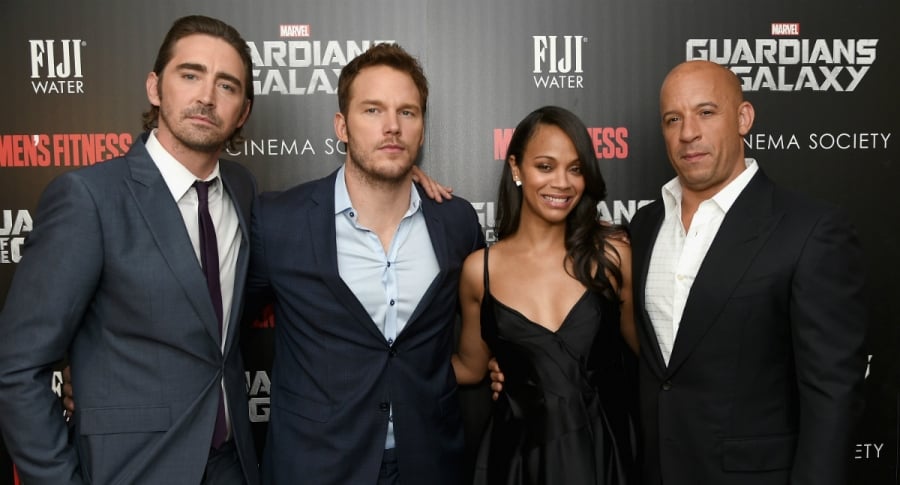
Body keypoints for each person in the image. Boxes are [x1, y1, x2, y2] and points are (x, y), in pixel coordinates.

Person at [0, 15, 260, 485]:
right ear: (154, 88)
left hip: (233, 463)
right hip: (133, 468)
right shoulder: (89, 198)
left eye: (227, 85)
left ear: (242, 112)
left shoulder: (242, 191)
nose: (206, 96)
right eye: (190, 75)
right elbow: (18, 368)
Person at [248, 43, 485, 485]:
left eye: (407, 112)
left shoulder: (457, 222)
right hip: (317, 467)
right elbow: (217, 326)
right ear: (342, 126)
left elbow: (493, 314)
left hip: (431, 464)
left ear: (421, 129)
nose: (392, 126)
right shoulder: (279, 222)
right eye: (373, 110)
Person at [629, 60, 868, 484]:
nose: (688, 133)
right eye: (673, 119)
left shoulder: (810, 229)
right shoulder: (646, 224)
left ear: (743, 118)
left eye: (706, 112)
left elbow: (832, 396)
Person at [453, 106, 639, 485]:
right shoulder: (479, 271)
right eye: (545, 166)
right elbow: (470, 368)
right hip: (518, 462)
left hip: (604, 457)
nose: (562, 183)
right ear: (516, 168)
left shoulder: (613, 257)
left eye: (575, 169)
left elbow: (653, 361)